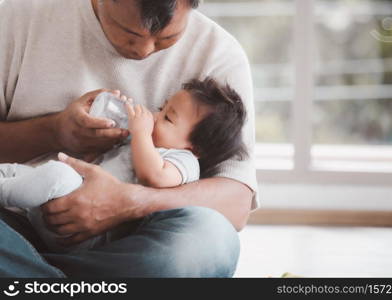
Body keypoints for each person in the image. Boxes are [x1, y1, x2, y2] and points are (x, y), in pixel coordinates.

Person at [0, 0, 258, 277]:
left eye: (166, 38)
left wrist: (127, 202)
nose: (144, 50)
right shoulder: (16, 19)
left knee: (207, 239)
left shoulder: (216, 55)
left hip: (129, 240)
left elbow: (236, 202)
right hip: (16, 219)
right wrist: (55, 132)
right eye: (130, 32)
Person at [0, 78, 248, 253]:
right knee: (20, 171)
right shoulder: (140, 144)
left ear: (196, 148)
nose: (155, 116)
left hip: (83, 232)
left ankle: (6, 194)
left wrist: (140, 133)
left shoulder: (183, 161)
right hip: (54, 203)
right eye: (162, 109)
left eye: (168, 118)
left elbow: (154, 177)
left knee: (56, 173)